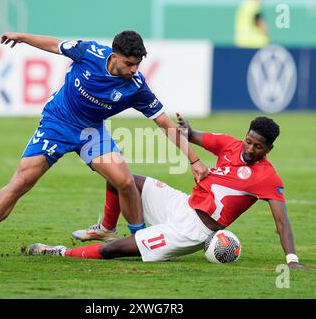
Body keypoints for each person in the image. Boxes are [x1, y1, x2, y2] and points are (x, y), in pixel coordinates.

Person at [0, 31, 208, 260]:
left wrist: (194, 160)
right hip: (58, 122)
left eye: (138, 64)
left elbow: (164, 122)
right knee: (22, 181)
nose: (134, 70)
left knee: (125, 181)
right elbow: (54, 45)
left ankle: (137, 241)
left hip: (91, 132)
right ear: (114, 56)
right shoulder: (88, 52)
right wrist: (22, 37)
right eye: (129, 64)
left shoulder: (136, 87)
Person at [28, 114, 303, 269]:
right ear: (246, 136)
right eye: (249, 141)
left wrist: (291, 259)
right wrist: (186, 130)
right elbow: (193, 136)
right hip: (180, 204)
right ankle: (106, 226)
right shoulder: (231, 145)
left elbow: (282, 222)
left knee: (114, 251)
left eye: (258, 146)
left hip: (191, 231)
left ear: (269, 149)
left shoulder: (268, 178)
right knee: (120, 178)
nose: (250, 148)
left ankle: (58, 252)